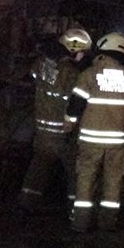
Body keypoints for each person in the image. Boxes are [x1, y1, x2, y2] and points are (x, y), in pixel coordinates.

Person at [65, 31, 124, 232]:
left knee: (86, 179)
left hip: (91, 140)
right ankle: (107, 224)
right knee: (113, 181)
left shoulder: (89, 75)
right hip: (118, 143)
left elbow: (75, 106)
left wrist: (69, 125)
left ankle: (80, 224)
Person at [18, 27, 92, 213]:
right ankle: (75, 210)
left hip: (42, 130)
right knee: (74, 172)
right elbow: (78, 97)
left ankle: (26, 204)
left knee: (39, 167)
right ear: (75, 51)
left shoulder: (42, 62)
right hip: (63, 133)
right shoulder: (71, 73)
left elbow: (34, 75)